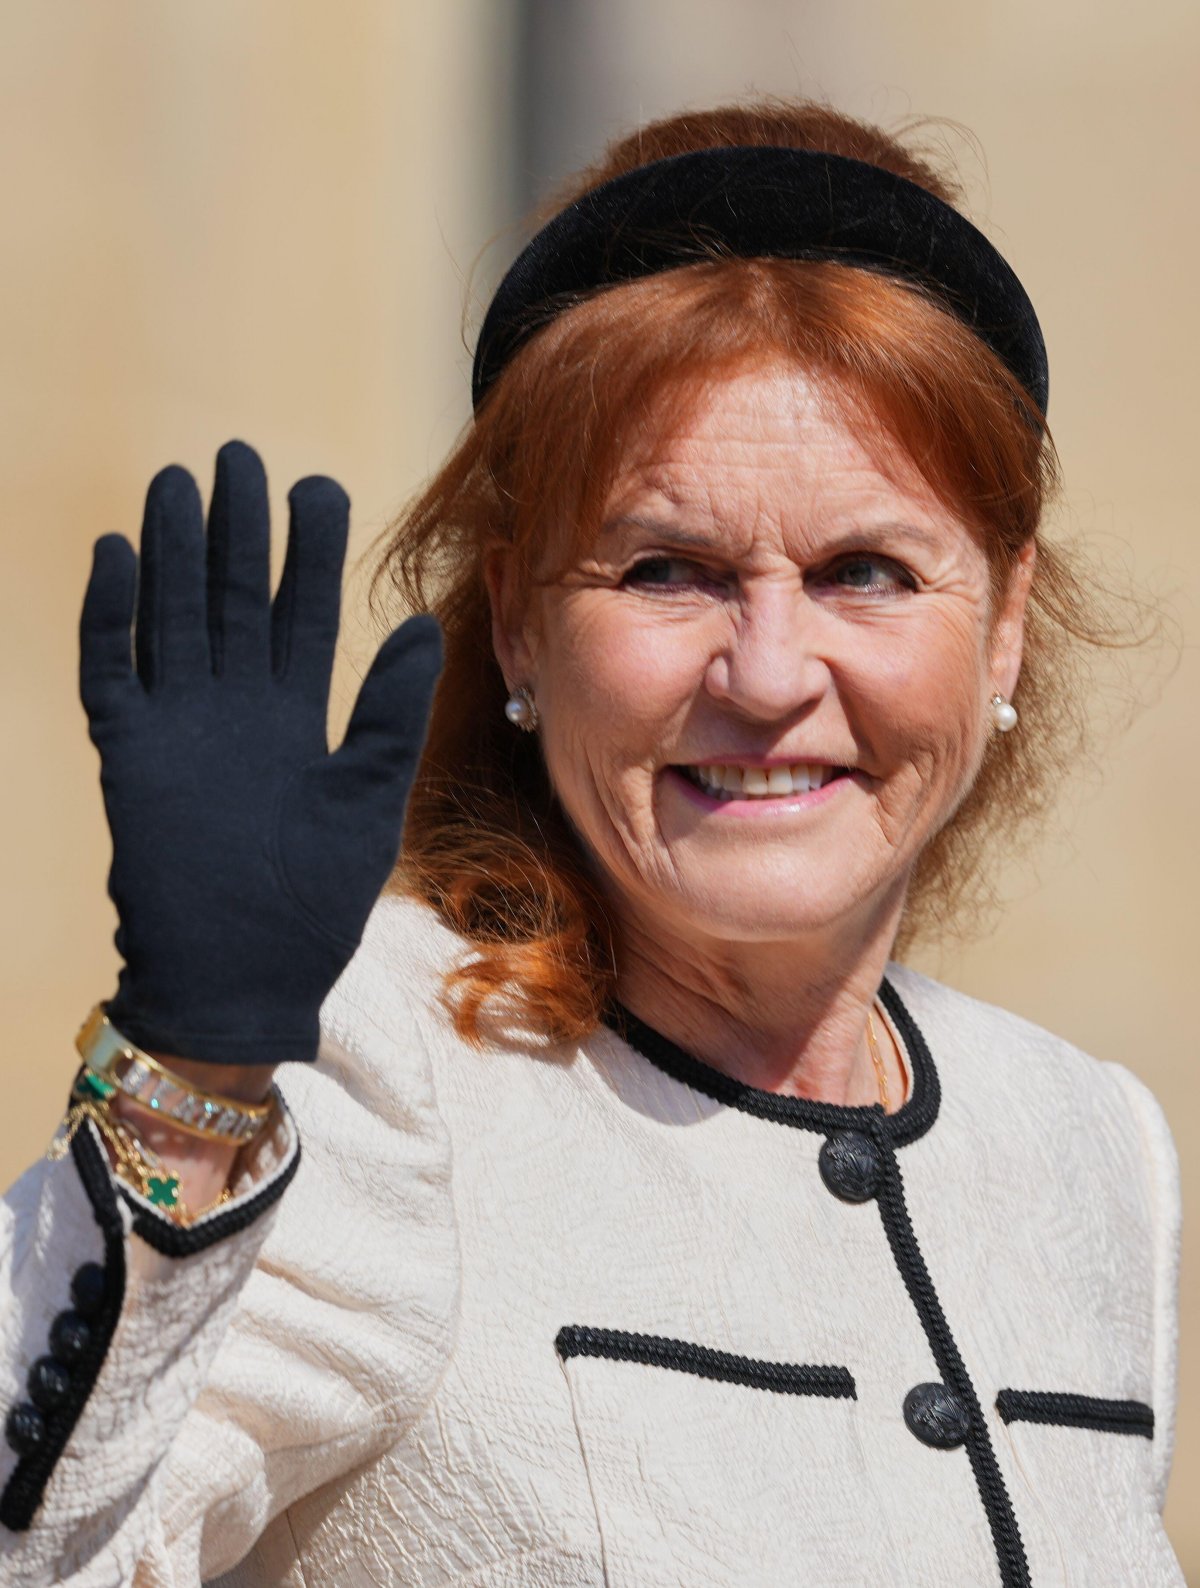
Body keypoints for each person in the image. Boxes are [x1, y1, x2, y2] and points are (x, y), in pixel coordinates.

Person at [0, 98, 1185, 1587]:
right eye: (665, 570)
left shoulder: (1090, 1147)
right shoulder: (369, 1066)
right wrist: (186, 1085)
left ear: (1003, 625)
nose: (766, 674)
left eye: (865, 571)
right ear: (518, 620)